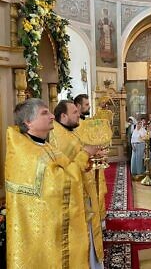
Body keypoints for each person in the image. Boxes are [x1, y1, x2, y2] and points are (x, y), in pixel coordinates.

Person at [5, 98, 97, 268]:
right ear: (28, 121)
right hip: (38, 233)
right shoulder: (27, 153)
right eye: (44, 113)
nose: (52, 117)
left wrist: (83, 163)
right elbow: (60, 185)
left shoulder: (42, 145)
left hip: (49, 227)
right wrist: (84, 154)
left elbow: (66, 169)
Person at [50, 100, 104, 268]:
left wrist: (91, 156)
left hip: (84, 189)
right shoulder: (57, 137)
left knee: (89, 233)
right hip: (73, 198)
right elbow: (64, 169)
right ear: (63, 115)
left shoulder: (70, 132)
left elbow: (80, 158)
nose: (78, 114)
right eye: (74, 112)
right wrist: (87, 153)